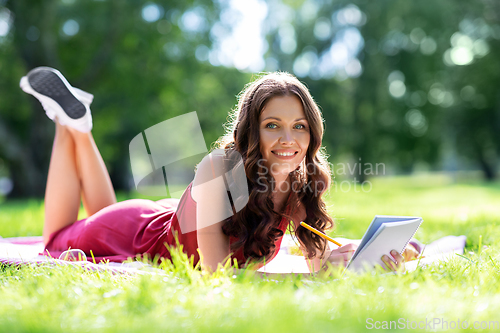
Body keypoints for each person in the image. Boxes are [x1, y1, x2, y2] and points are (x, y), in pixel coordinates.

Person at [20, 67, 410, 274]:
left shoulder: (300, 182)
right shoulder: (216, 171)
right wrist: (314, 278)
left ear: (312, 131)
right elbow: (216, 275)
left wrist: (362, 257)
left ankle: (76, 122)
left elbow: (317, 260)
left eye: (299, 125)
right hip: (133, 233)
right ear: (250, 130)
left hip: (148, 220)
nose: (288, 138)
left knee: (97, 213)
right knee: (56, 238)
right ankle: (65, 122)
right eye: (272, 124)